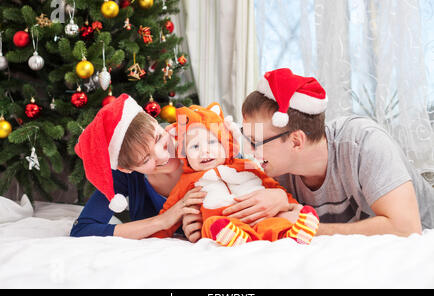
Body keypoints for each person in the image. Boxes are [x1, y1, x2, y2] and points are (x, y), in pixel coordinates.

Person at [182, 68, 434, 241]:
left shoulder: (364, 142)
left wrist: (310, 228)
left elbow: (406, 228)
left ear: (295, 141)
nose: (248, 149)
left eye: (256, 142)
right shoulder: (272, 168)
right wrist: (199, 223)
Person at [151, 102, 320, 246]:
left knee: (280, 220)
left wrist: (293, 206)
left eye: (212, 142)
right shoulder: (187, 181)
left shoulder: (247, 166)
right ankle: (239, 238)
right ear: (185, 154)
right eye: (195, 147)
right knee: (212, 225)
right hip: (225, 225)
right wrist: (156, 236)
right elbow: (168, 214)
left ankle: (291, 235)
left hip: (260, 218)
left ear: (226, 144)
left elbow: (273, 187)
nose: (205, 151)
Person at [70, 93, 202, 239]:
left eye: (158, 138)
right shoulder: (125, 176)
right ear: (125, 169)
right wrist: (163, 220)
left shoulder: (201, 140)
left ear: (154, 120)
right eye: (145, 160)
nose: (163, 156)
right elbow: (82, 229)